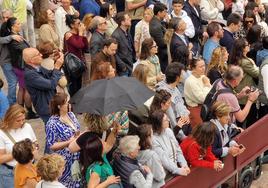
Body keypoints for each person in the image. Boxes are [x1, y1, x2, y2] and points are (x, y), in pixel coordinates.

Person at [2, 17, 39, 120]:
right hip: (21, 66)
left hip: (18, 66)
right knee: (27, 89)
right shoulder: (13, 39)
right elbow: (24, 50)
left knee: (22, 88)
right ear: (13, 26)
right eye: (18, 24)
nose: (20, 25)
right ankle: (29, 111)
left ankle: (20, 110)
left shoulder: (15, 36)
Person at [46, 93, 81, 187]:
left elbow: (76, 130)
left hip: (77, 155)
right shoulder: (52, 123)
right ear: (59, 106)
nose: (69, 105)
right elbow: (52, 145)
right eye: (66, 103)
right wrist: (69, 141)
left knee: (78, 181)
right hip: (65, 160)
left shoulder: (71, 115)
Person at [0, 104, 37, 188]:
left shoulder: (27, 127)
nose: (21, 123)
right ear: (9, 119)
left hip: (30, 170)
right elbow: (0, 159)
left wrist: (35, 148)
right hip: (11, 173)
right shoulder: (1, 133)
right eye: (18, 120)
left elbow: (35, 142)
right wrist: (21, 153)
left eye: (23, 119)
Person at [23, 47, 64, 124]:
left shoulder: (37, 67)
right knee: (52, 131)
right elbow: (51, 84)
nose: (41, 55)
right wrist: (57, 67)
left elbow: (50, 74)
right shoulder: (30, 74)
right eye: (38, 54)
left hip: (51, 104)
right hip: (46, 108)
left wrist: (56, 62)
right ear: (31, 60)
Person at [229, 38, 259, 127]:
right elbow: (257, 73)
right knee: (251, 122)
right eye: (247, 45)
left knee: (239, 123)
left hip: (239, 94)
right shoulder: (245, 62)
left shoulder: (235, 59)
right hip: (246, 96)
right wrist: (254, 64)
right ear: (242, 48)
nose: (249, 46)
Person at [156, 63, 191, 140]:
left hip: (183, 120)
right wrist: (184, 138)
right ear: (177, 77)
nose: (184, 75)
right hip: (177, 130)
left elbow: (181, 103)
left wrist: (186, 114)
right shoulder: (165, 94)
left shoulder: (174, 87)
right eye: (182, 74)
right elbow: (172, 120)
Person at [150, 110, 190, 176]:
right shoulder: (153, 139)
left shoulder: (168, 131)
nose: (168, 120)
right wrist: (178, 170)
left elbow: (178, 150)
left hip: (176, 167)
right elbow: (164, 160)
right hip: (165, 174)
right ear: (159, 123)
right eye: (165, 120)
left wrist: (184, 164)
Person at [0, 9, 21, 105]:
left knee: (16, 81)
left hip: (15, 60)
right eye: (3, 17)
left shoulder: (15, 26)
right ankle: (11, 104)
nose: (5, 19)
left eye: (7, 17)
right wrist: (11, 37)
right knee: (12, 82)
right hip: (5, 60)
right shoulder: (2, 28)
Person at [64, 14, 88, 96]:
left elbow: (85, 47)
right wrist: (81, 33)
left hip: (80, 63)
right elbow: (79, 45)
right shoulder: (68, 34)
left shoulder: (79, 34)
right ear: (72, 25)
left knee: (79, 85)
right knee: (74, 87)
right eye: (78, 24)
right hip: (72, 64)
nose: (80, 25)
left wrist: (83, 34)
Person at [184, 57, 212, 127]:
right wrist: (206, 85)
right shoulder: (191, 81)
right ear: (193, 68)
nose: (203, 68)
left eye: (204, 65)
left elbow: (211, 92)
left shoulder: (202, 76)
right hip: (196, 109)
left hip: (205, 107)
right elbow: (203, 99)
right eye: (200, 67)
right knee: (200, 132)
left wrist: (207, 85)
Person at [112, 12, 136, 76]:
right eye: (128, 19)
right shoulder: (116, 35)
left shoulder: (127, 31)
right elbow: (114, 53)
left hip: (130, 64)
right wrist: (122, 66)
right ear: (122, 22)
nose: (130, 19)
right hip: (124, 68)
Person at [149, 2, 168, 72]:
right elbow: (162, 43)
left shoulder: (159, 22)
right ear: (159, 13)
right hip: (161, 56)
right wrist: (170, 35)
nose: (165, 14)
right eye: (164, 12)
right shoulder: (156, 25)